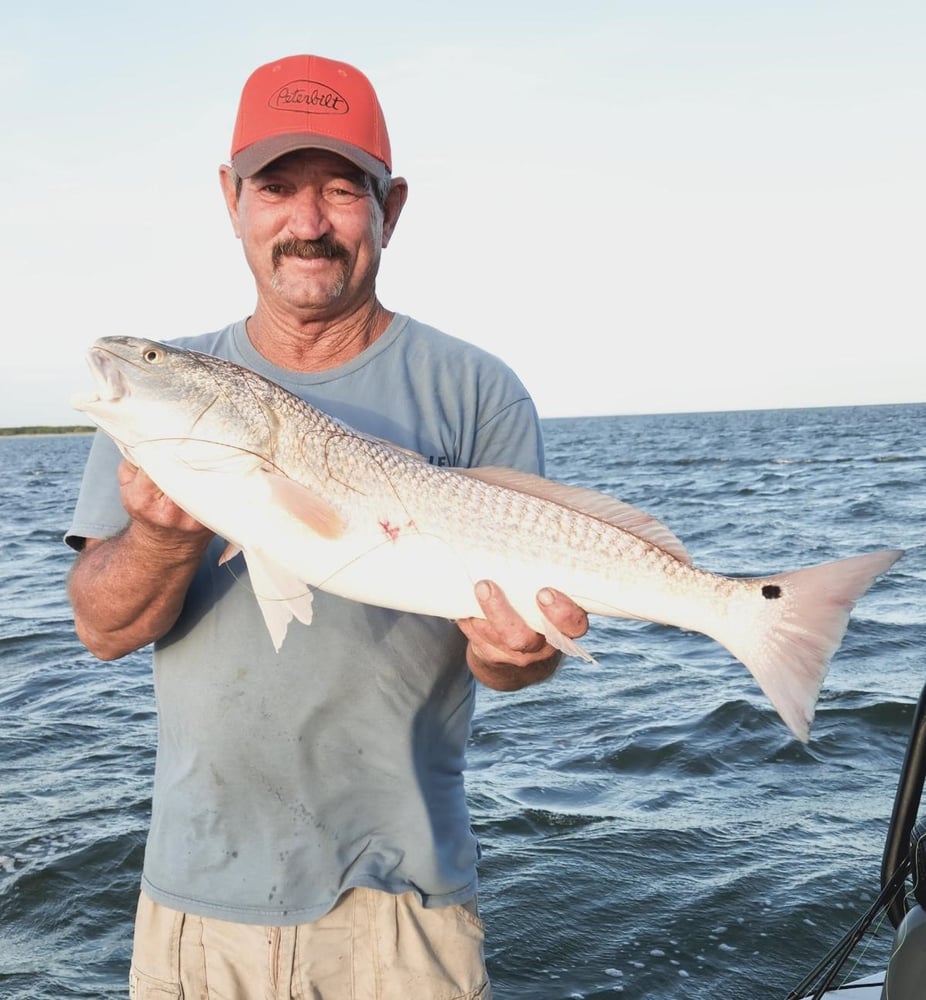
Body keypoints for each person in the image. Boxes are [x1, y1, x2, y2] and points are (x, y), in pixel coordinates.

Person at [66, 53, 588, 999]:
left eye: (342, 190)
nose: (307, 224)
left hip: (405, 904)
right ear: (231, 199)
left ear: (392, 207)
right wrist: (163, 535)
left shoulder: (479, 389)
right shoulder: (162, 398)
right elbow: (102, 631)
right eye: (277, 188)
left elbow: (521, 660)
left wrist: (521, 652)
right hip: (198, 894)